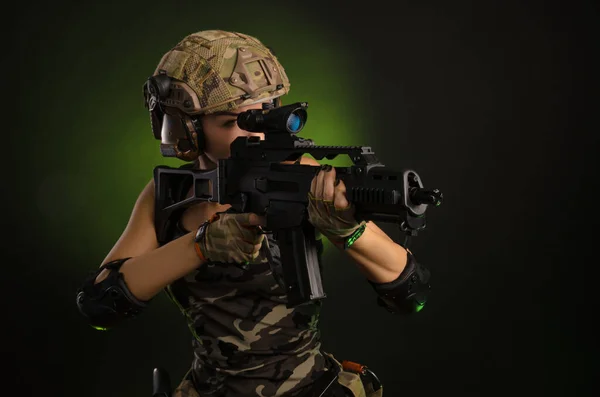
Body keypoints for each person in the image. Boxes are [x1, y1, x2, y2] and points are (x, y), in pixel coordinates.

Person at [76, 30, 431, 397]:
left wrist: (348, 231)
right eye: (232, 122)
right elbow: (100, 304)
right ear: (187, 127)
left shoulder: (303, 174)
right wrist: (201, 246)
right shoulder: (172, 195)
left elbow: (411, 292)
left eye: (265, 113)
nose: (257, 134)